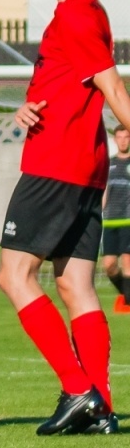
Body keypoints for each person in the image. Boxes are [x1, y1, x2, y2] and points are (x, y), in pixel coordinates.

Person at [0, 0, 130, 436]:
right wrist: (32, 106)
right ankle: (101, 409)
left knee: (13, 275)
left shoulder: (78, 14)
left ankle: (79, 390)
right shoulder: (84, 14)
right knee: (75, 282)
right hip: (82, 167)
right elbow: (76, 85)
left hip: (56, 167)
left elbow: (113, 88)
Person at [99, 125, 130, 315]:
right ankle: (126, 295)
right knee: (109, 265)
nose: (123, 140)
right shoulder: (108, 165)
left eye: (126, 137)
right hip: (110, 221)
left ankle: (127, 305)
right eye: (119, 137)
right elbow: (103, 192)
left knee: (128, 261)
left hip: (128, 221)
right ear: (115, 140)